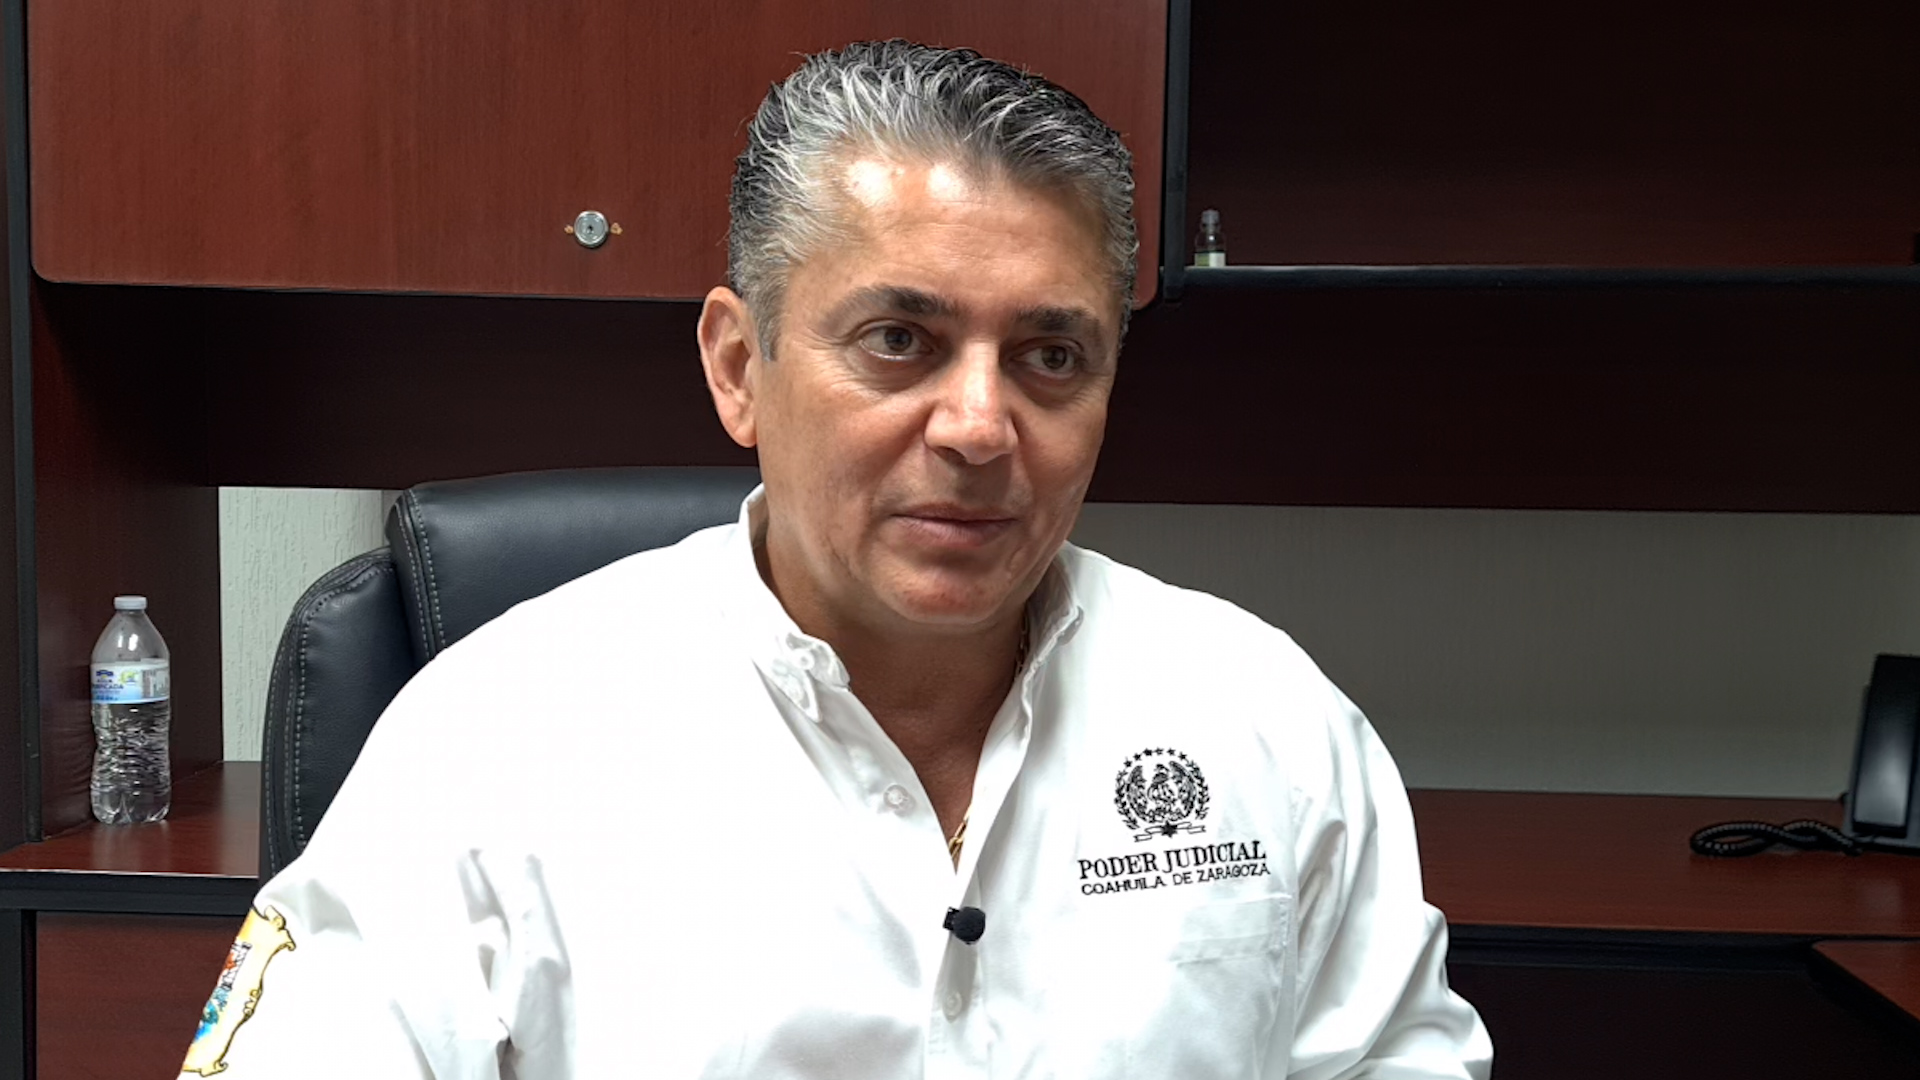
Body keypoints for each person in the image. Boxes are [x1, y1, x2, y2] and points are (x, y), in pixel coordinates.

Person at [178, 40, 1491, 1080]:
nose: (979, 427)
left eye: (1051, 355)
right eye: (899, 342)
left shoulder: (1266, 721)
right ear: (738, 368)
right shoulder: (495, 743)